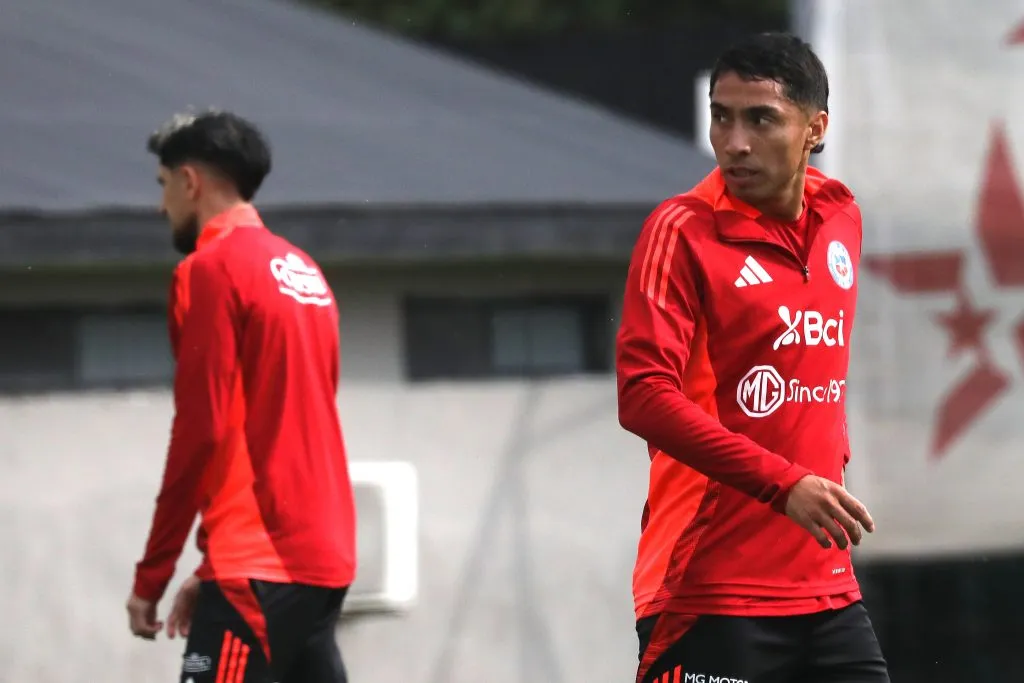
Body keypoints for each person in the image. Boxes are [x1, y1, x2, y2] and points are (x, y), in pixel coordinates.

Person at [616, 33, 890, 683]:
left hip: (825, 586)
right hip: (707, 589)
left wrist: (829, 455)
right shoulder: (680, 230)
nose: (734, 141)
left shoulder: (840, 216)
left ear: (815, 128)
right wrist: (784, 481)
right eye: (722, 115)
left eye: (760, 118)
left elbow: (814, 370)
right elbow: (643, 394)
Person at [125, 110, 357, 683]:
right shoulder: (305, 272)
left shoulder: (210, 269)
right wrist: (211, 565)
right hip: (323, 560)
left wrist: (151, 575)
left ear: (190, 182)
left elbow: (200, 430)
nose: (162, 208)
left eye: (162, 188)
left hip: (259, 564)